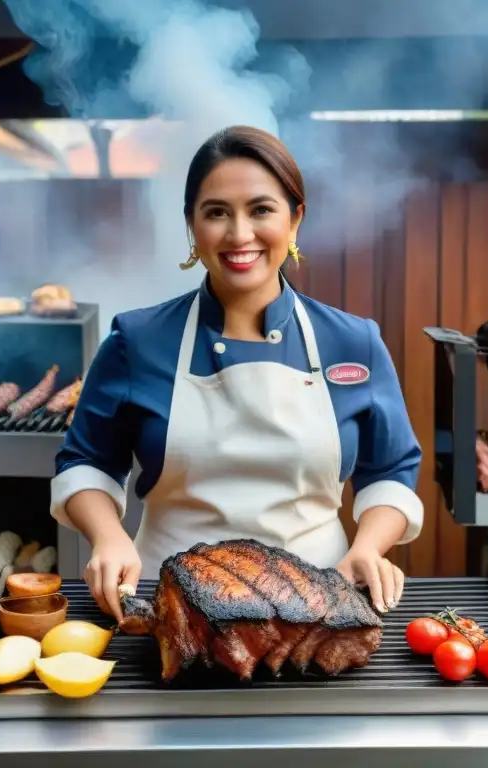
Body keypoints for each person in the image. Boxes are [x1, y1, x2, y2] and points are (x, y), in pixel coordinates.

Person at [51, 125, 423, 621]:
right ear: (192, 225)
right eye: (217, 213)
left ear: (295, 220)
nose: (239, 234)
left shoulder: (354, 343)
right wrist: (109, 536)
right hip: (172, 607)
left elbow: (391, 471)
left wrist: (370, 548)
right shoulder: (136, 340)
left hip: (319, 607)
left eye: (261, 210)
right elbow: (86, 462)